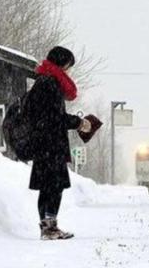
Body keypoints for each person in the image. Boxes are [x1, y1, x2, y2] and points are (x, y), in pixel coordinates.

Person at [24, 46, 91, 240]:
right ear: (62, 63)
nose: (68, 71)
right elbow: (55, 118)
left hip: (43, 145)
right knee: (54, 187)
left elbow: (46, 116)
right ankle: (50, 229)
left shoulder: (42, 81)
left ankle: (47, 228)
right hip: (51, 145)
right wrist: (79, 123)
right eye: (68, 66)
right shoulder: (50, 83)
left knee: (48, 187)